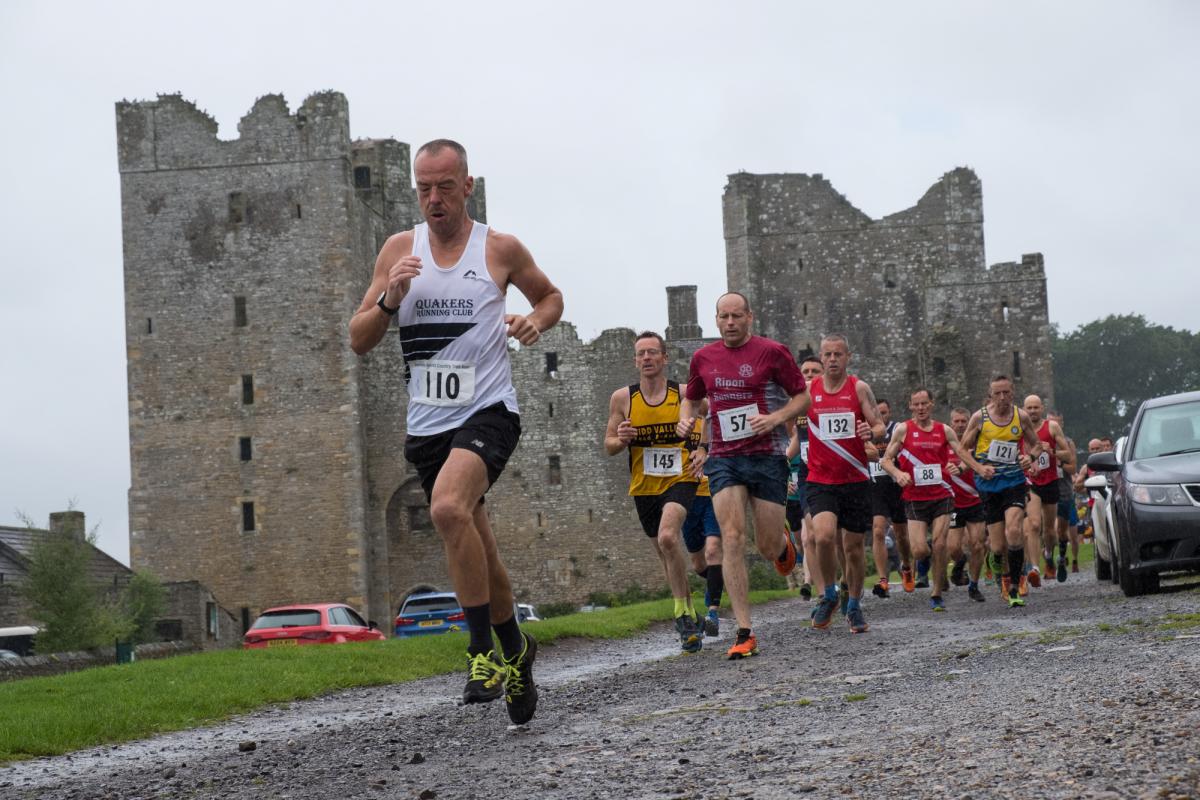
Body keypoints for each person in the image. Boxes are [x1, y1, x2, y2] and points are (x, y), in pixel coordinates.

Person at [349, 139, 562, 725]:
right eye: (423, 188)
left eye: (445, 186)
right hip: (427, 424)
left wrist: (532, 322)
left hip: (489, 410)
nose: (434, 199)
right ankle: (517, 648)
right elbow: (358, 338)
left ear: (467, 185)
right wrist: (390, 300)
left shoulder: (498, 248)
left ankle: (480, 653)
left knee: (446, 510)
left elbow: (550, 297)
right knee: (478, 543)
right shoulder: (398, 250)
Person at [676, 292, 810, 659]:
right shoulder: (703, 357)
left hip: (767, 456)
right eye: (724, 316)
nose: (731, 322)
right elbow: (692, 397)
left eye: (737, 316)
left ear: (750, 317)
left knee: (766, 547)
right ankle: (744, 630)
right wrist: (685, 419)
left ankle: (782, 543)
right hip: (724, 459)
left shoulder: (773, 351)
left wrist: (776, 418)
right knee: (731, 537)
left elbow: (802, 397)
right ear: (716, 320)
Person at [604, 331, 706, 653]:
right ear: (635, 361)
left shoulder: (685, 394)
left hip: (681, 478)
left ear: (664, 358)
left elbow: (712, 414)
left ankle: (680, 618)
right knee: (666, 554)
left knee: (667, 537)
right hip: (644, 485)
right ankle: (690, 612)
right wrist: (621, 439)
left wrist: (703, 448)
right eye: (641, 354)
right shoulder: (623, 398)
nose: (646, 358)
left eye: (652, 352)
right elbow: (608, 446)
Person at [805, 334, 886, 633]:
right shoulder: (810, 390)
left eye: (838, 354)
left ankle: (853, 604)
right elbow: (791, 416)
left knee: (853, 548)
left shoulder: (858, 388)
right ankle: (828, 593)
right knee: (823, 536)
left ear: (847, 357)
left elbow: (879, 425)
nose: (833, 359)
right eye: (827, 354)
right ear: (821, 357)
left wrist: (870, 431)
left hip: (854, 478)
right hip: (820, 478)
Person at [880, 389, 988, 612]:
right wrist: (898, 474)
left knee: (940, 544)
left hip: (942, 495)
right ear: (910, 406)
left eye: (924, 404)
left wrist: (977, 468)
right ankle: (935, 564)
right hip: (914, 497)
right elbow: (886, 460)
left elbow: (963, 452)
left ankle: (937, 592)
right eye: (916, 404)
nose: (920, 408)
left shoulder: (944, 430)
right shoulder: (903, 430)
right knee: (919, 550)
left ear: (931, 405)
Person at [959, 375, 1047, 608]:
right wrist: (979, 467)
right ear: (991, 394)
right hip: (988, 485)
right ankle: (997, 563)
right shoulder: (980, 418)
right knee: (998, 546)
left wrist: (1030, 458)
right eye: (997, 393)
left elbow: (1038, 445)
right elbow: (962, 449)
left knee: (1015, 531)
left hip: (1014, 482)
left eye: (1006, 392)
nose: (1002, 398)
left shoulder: (1021, 417)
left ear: (1013, 392)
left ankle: (1016, 585)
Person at [1020, 395, 1074, 586]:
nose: (1032, 411)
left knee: (1050, 530)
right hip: (1030, 482)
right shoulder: (1019, 428)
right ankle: (1034, 568)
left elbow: (1068, 455)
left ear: (1042, 408)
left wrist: (1052, 451)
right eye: (1029, 407)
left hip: (1051, 482)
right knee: (1034, 524)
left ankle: (1048, 554)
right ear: (1024, 409)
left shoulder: (1051, 427)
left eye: (1036, 407)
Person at [785, 355, 826, 600]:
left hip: (835, 474)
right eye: (805, 371)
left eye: (814, 371)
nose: (809, 375)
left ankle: (843, 582)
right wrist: (781, 461)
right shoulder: (797, 404)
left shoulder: (835, 399)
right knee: (809, 535)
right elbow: (795, 439)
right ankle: (821, 591)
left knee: (836, 538)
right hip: (808, 476)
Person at [868, 398, 913, 597]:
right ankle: (883, 579)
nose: (881, 416)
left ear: (890, 412)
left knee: (902, 535)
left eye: (884, 412)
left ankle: (906, 566)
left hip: (896, 486)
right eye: (877, 413)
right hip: (876, 487)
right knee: (878, 531)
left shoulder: (898, 430)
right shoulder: (866, 432)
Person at [948, 407, 988, 601]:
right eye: (957, 421)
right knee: (954, 547)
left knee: (978, 545)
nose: (961, 425)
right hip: (953, 503)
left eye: (964, 421)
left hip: (975, 500)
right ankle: (961, 561)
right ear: (951, 423)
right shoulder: (945, 443)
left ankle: (973, 585)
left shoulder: (978, 443)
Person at [1048, 410, 1081, 575]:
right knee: (1043, 527)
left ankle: (1062, 557)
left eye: (1057, 422)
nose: (1054, 425)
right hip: (1044, 488)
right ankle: (1048, 559)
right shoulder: (1038, 440)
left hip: (1064, 490)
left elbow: (1073, 468)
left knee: (1062, 530)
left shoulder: (1068, 443)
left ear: (1062, 424)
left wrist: (1058, 463)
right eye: (1051, 422)